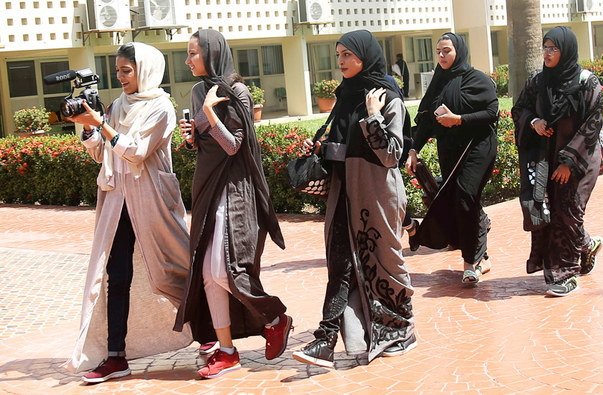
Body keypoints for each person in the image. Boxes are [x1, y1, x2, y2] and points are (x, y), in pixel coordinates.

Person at [63, 42, 193, 383]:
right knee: (115, 276)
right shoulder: (117, 106)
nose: (120, 77)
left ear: (145, 70)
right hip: (118, 200)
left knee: (175, 269)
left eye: (127, 70)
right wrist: (90, 128)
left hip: (152, 200)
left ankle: (213, 336)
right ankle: (115, 356)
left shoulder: (162, 107)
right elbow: (102, 156)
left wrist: (101, 125)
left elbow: (135, 152)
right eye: (117, 71)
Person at [173, 29, 292, 379]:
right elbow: (206, 143)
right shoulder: (197, 91)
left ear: (211, 54)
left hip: (235, 190)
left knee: (225, 270)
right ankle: (226, 351)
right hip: (208, 187)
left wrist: (209, 114)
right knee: (207, 275)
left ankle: (274, 318)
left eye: (193, 53)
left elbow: (234, 146)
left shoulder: (235, 91)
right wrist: (192, 135)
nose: (188, 59)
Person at [292, 29, 415, 369]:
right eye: (339, 56)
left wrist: (374, 116)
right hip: (344, 194)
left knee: (385, 264)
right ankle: (327, 338)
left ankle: (400, 331)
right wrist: (319, 149)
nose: (342, 62)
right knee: (341, 264)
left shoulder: (386, 95)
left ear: (365, 55)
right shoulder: (345, 95)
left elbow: (391, 154)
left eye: (348, 55)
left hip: (377, 195)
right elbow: (345, 148)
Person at [511, 26, 603, 297]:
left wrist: (568, 162)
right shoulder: (538, 80)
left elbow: (592, 124)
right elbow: (519, 109)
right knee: (549, 210)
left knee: (568, 210)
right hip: (543, 158)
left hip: (580, 158)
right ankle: (585, 246)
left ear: (567, 50)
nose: (548, 53)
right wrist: (534, 122)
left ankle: (565, 275)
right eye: (545, 47)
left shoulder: (587, 82)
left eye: (554, 48)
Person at [405, 32, 498, 285]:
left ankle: (471, 264)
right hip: (450, 151)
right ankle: (483, 252)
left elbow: (491, 113)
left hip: (478, 147)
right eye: (438, 52)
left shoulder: (477, 79)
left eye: (447, 50)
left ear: (458, 51)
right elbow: (425, 122)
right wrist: (414, 150)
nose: (442, 56)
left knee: (466, 194)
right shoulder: (438, 83)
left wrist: (458, 119)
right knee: (462, 200)